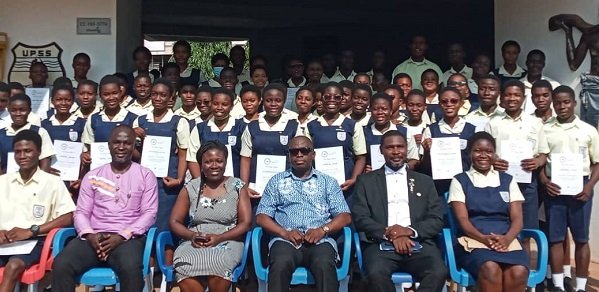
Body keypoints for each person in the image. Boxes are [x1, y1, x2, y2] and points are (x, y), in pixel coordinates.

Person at [51, 125, 158, 292]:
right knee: (62, 264)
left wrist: (122, 236)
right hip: (94, 237)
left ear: (133, 146)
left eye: (127, 143)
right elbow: (81, 212)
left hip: (127, 239)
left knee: (130, 268)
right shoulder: (92, 176)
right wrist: (90, 235)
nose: (121, 147)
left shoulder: (146, 175)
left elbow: (149, 213)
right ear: (108, 145)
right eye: (116, 142)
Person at [352, 130, 447, 292]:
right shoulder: (366, 181)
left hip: (419, 244)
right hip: (380, 244)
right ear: (381, 150)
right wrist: (391, 234)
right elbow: (360, 217)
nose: (396, 152)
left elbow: (436, 219)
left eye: (400, 147)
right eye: (390, 147)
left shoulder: (424, 181)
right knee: (375, 274)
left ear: (407, 149)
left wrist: (408, 231)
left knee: (438, 272)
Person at [256, 136, 352, 292]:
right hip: (286, 240)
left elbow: (345, 216)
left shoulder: (328, 182)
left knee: (324, 264)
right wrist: (284, 233)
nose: (299, 155)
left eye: (304, 151)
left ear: (313, 154)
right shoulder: (276, 181)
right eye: (294, 152)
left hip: (320, 241)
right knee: (280, 263)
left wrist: (323, 230)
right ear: (289, 156)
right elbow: (261, 216)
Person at [448, 132, 530, 291]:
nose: (483, 155)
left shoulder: (508, 179)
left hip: (506, 240)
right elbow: (463, 220)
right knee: (491, 269)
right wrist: (484, 239)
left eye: (489, 151)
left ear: (495, 154)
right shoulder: (460, 180)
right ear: (470, 153)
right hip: (474, 239)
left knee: (518, 271)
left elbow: (517, 218)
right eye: (478, 151)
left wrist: (507, 239)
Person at [538, 85, 599, 292]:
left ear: (574, 103)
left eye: (566, 102)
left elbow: (597, 162)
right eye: (557, 102)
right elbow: (540, 160)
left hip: (580, 188)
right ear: (552, 104)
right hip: (554, 188)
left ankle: (580, 286)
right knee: (556, 237)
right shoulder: (545, 129)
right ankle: (557, 284)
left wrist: (590, 185)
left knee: (581, 238)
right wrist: (545, 182)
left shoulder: (588, 130)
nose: (562, 106)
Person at [170, 140, 251, 292]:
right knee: (183, 261)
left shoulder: (238, 186)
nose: (214, 165)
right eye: (208, 162)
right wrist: (192, 235)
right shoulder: (191, 187)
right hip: (194, 239)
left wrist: (220, 238)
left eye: (219, 161)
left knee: (219, 261)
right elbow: (175, 221)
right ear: (201, 165)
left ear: (226, 162)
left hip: (228, 240)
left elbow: (245, 223)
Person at [0, 130, 75, 292]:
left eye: (28, 151)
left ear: (39, 152)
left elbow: (68, 217)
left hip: (34, 242)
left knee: (13, 266)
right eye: (18, 152)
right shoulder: (3, 181)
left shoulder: (52, 182)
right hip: (4, 241)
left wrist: (31, 231)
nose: (22, 156)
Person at [485, 80, 547, 230]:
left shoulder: (535, 123)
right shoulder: (492, 123)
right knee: (501, 227)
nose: (512, 98)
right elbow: (484, 151)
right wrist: (493, 160)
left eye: (516, 95)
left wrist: (537, 162)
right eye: (508, 95)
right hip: (499, 181)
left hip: (527, 182)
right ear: (501, 97)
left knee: (526, 229)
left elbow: (544, 153)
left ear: (524, 98)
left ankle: (524, 253)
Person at [132, 79, 189, 233]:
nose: (158, 99)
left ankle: (164, 256)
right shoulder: (140, 121)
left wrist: (179, 179)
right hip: (144, 179)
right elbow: (136, 155)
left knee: (164, 223)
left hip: (167, 181)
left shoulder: (179, 122)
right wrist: (132, 137)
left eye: (163, 95)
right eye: (155, 94)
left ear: (171, 98)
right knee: (143, 220)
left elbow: (184, 154)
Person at [239, 84, 301, 199]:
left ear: (284, 102)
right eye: (269, 100)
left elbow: (300, 158)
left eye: (278, 100)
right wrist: (244, 187)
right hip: (256, 188)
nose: (273, 104)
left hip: (287, 187)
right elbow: (246, 159)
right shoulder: (252, 126)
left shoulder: (294, 126)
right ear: (262, 101)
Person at [305, 82, 367, 195]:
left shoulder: (353, 125)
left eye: (337, 97)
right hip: (317, 184)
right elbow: (305, 156)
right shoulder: (311, 126)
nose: (331, 100)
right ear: (321, 99)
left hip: (346, 184)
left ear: (342, 99)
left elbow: (361, 157)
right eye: (327, 97)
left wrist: (353, 179)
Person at [420, 87, 477, 197]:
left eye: (454, 101)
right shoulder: (430, 130)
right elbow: (425, 167)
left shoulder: (473, 130)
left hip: (466, 186)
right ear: (439, 104)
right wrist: (427, 151)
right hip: (439, 187)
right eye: (444, 101)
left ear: (461, 103)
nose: (449, 104)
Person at [550, 14, 599, 127]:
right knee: (590, 130)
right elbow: (573, 64)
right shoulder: (591, 34)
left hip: (593, 88)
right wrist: (568, 32)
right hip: (594, 89)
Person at [81, 75, 138, 169]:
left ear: (121, 92)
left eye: (114, 93)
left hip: (127, 170)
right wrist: (85, 156)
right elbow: (88, 148)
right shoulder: (94, 119)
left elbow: (137, 155)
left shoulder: (133, 119)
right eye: (106, 94)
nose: (111, 97)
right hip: (100, 170)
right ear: (100, 96)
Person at [187, 88, 246, 179]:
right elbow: (192, 159)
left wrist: (242, 185)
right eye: (215, 104)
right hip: (207, 185)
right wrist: (200, 184)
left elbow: (246, 159)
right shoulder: (200, 129)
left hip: (234, 184)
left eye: (224, 104)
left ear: (231, 106)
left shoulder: (241, 128)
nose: (219, 108)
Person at [41, 84, 86, 185]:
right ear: (52, 101)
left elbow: (85, 151)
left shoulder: (81, 123)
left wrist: (80, 175)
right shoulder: (44, 124)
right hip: (50, 175)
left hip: (73, 176)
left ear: (73, 101)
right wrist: (45, 168)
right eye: (59, 99)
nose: (63, 103)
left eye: (68, 100)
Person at [0, 94, 55, 174]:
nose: (18, 113)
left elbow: (45, 161)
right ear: (8, 110)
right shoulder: (1, 134)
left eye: (22, 110)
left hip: (34, 182)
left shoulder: (39, 132)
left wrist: (41, 183)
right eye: (13, 110)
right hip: (7, 182)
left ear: (29, 110)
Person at [364, 92, 419, 171]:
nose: (380, 112)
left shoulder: (405, 132)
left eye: (384, 109)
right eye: (375, 109)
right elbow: (359, 159)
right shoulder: (364, 132)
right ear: (370, 111)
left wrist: (403, 167)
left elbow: (414, 160)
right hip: (372, 180)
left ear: (391, 111)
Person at [520, 50, 561, 116]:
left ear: (543, 64)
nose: (535, 65)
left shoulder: (554, 85)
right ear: (526, 63)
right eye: (532, 62)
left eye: (539, 62)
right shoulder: (518, 86)